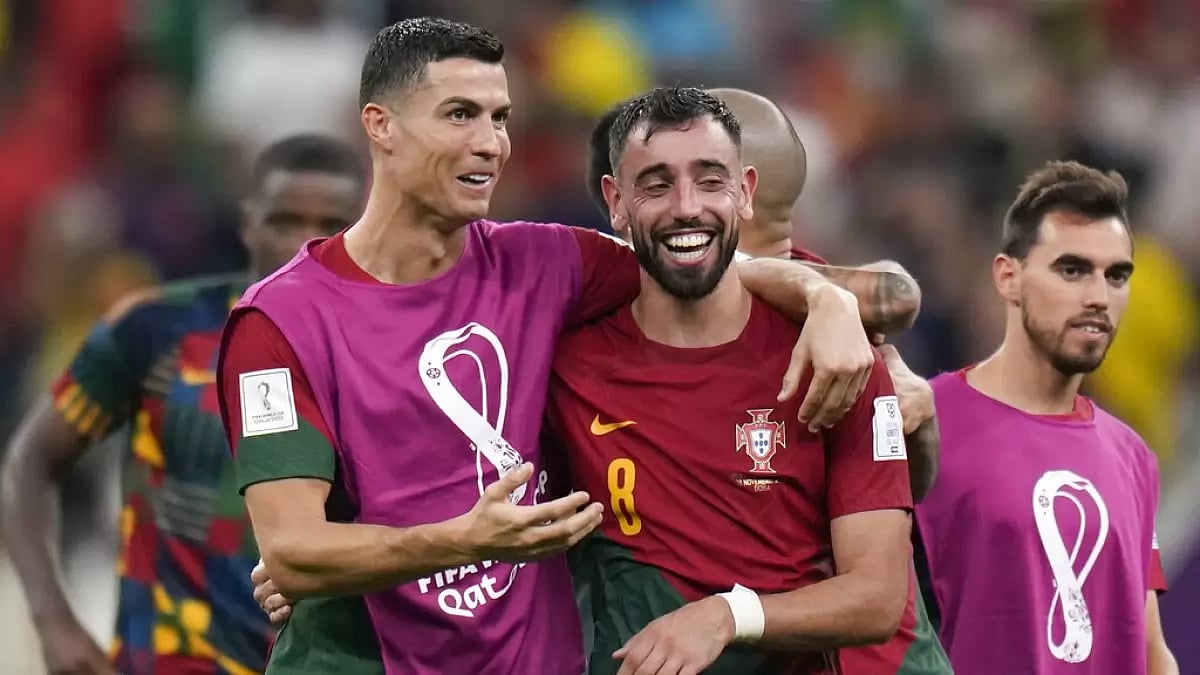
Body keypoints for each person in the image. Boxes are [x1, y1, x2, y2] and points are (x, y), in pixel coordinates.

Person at [218, 17, 880, 675]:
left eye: (500, 118)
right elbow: (292, 552)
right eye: (460, 115)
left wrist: (827, 299)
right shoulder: (282, 319)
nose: (490, 144)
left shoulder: (545, 263)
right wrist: (463, 541)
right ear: (380, 125)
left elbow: (698, 265)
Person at [549, 85, 914, 675]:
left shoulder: (836, 358)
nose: (686, 207)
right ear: (616, 202)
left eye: (710, 180)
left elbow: (876, 598)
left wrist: (727, 614)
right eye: (656, 185)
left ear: (744, 192)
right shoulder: (568, 363)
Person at [0, 134, 368, 675]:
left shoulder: (392, 355)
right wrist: (53, 620)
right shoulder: (157, 329)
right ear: (248, 222)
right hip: (171, 660)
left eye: (331, 226)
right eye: (283, 221)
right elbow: (30, 461)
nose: (302, 244)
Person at [914, 161, 1177, 674]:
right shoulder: (925, 421)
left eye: (1116, 275)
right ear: (1008, 277)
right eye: (1072, 270)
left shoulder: (1132, 455)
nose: (1098, 297)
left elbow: (1150, 649)